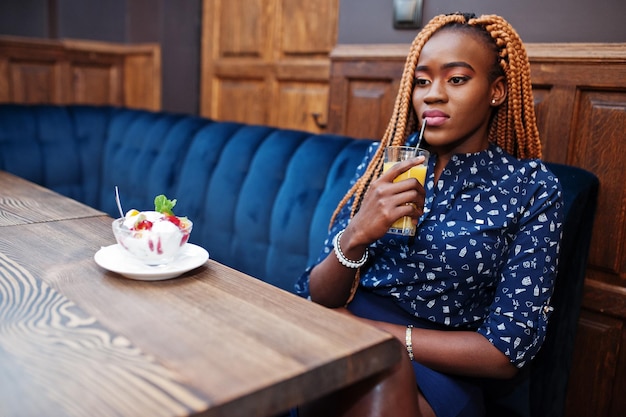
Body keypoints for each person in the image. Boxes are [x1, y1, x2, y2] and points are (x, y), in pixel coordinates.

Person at [294, 12, 564, 417]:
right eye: (422, 81)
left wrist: (378, 334)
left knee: (380, 366)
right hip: (342, 328)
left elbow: (505, 351)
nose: (432, 95)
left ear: (496, 91)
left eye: (456, 79)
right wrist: (357, 234)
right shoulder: (383, 164)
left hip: (439, 366)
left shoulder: (531, 188)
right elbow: (318, 294)